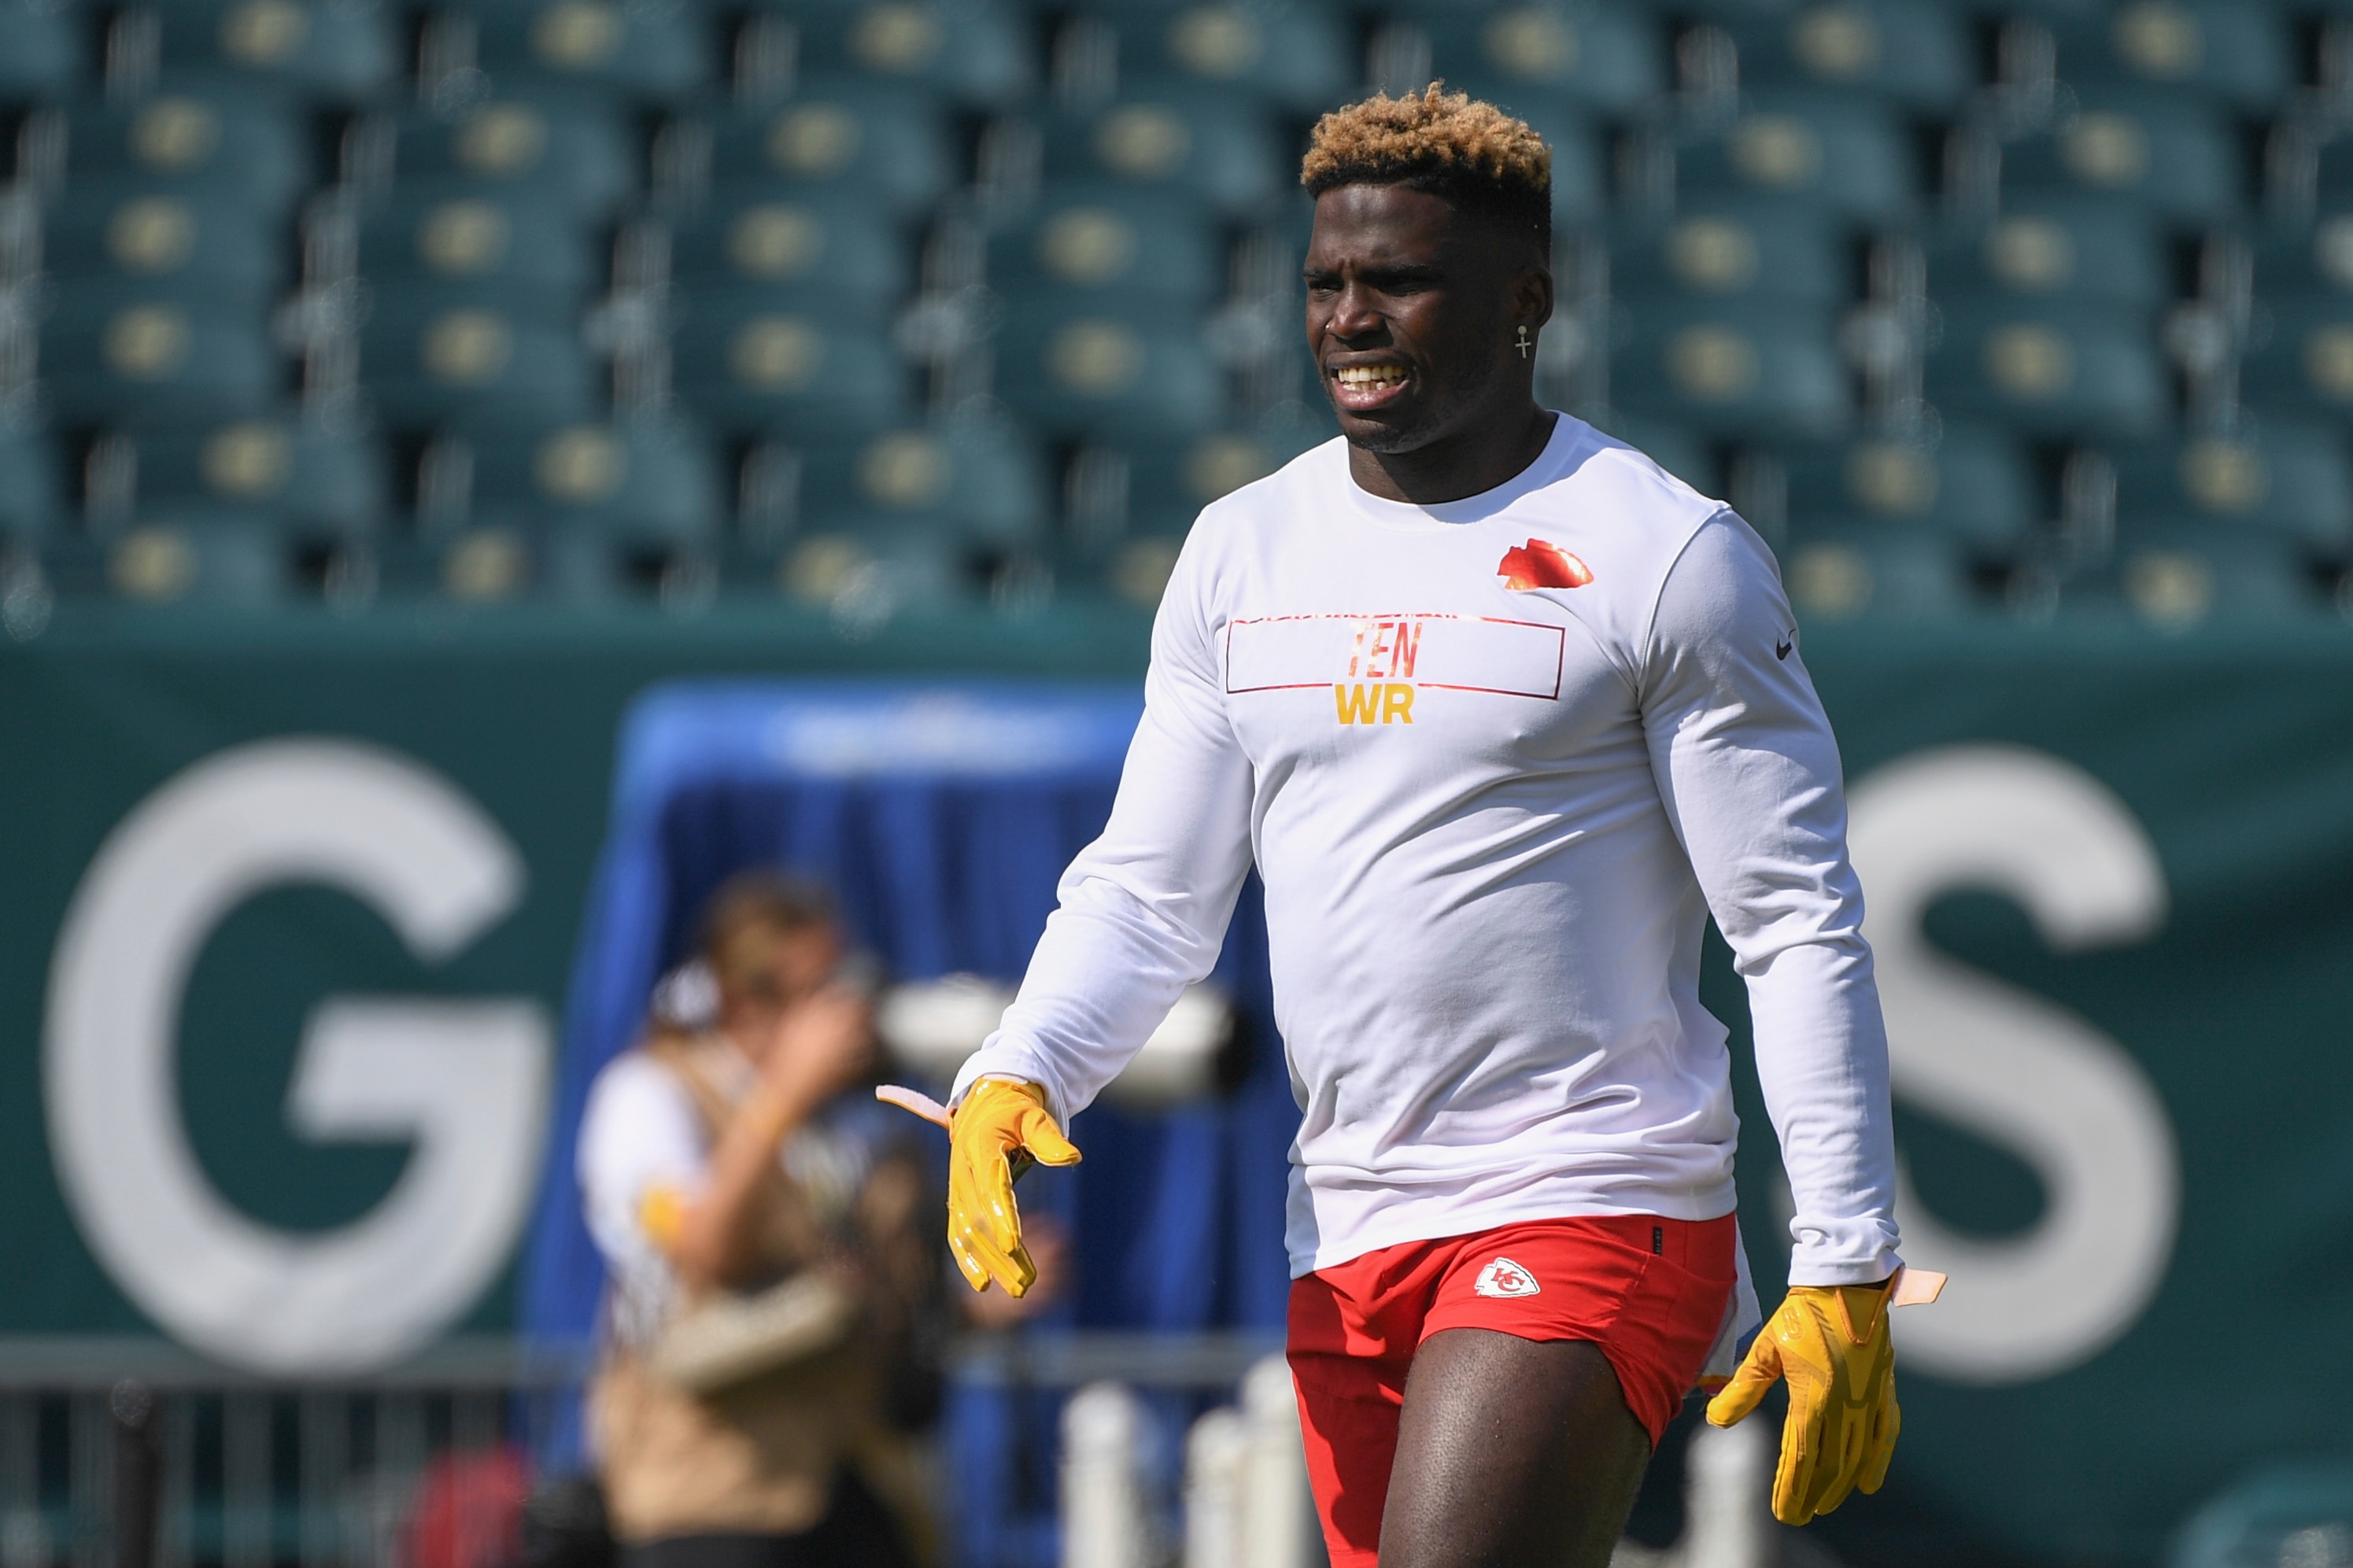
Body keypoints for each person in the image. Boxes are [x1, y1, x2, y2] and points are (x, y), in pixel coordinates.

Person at [902, 87, 1915, 1568]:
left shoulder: (1669, 553)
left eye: (1401, 281)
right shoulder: (1241, 549)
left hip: (1592, 1193)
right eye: (1327, 282)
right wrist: (1019, 1065)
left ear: (1525, 302)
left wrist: (1847, 1254)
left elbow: (1793, 921)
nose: (1352, 318)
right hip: (1348, 1217)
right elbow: (1146, 895)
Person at [577, 873, 936, 1568]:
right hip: (711, 1494)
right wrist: (784, 1094)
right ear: (745, 1000)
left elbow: (859, 1291)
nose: (844, 1014)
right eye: (818, 991)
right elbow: (708, 1248)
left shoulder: (848, 1125)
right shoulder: (650, 1094)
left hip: (848, 1483)